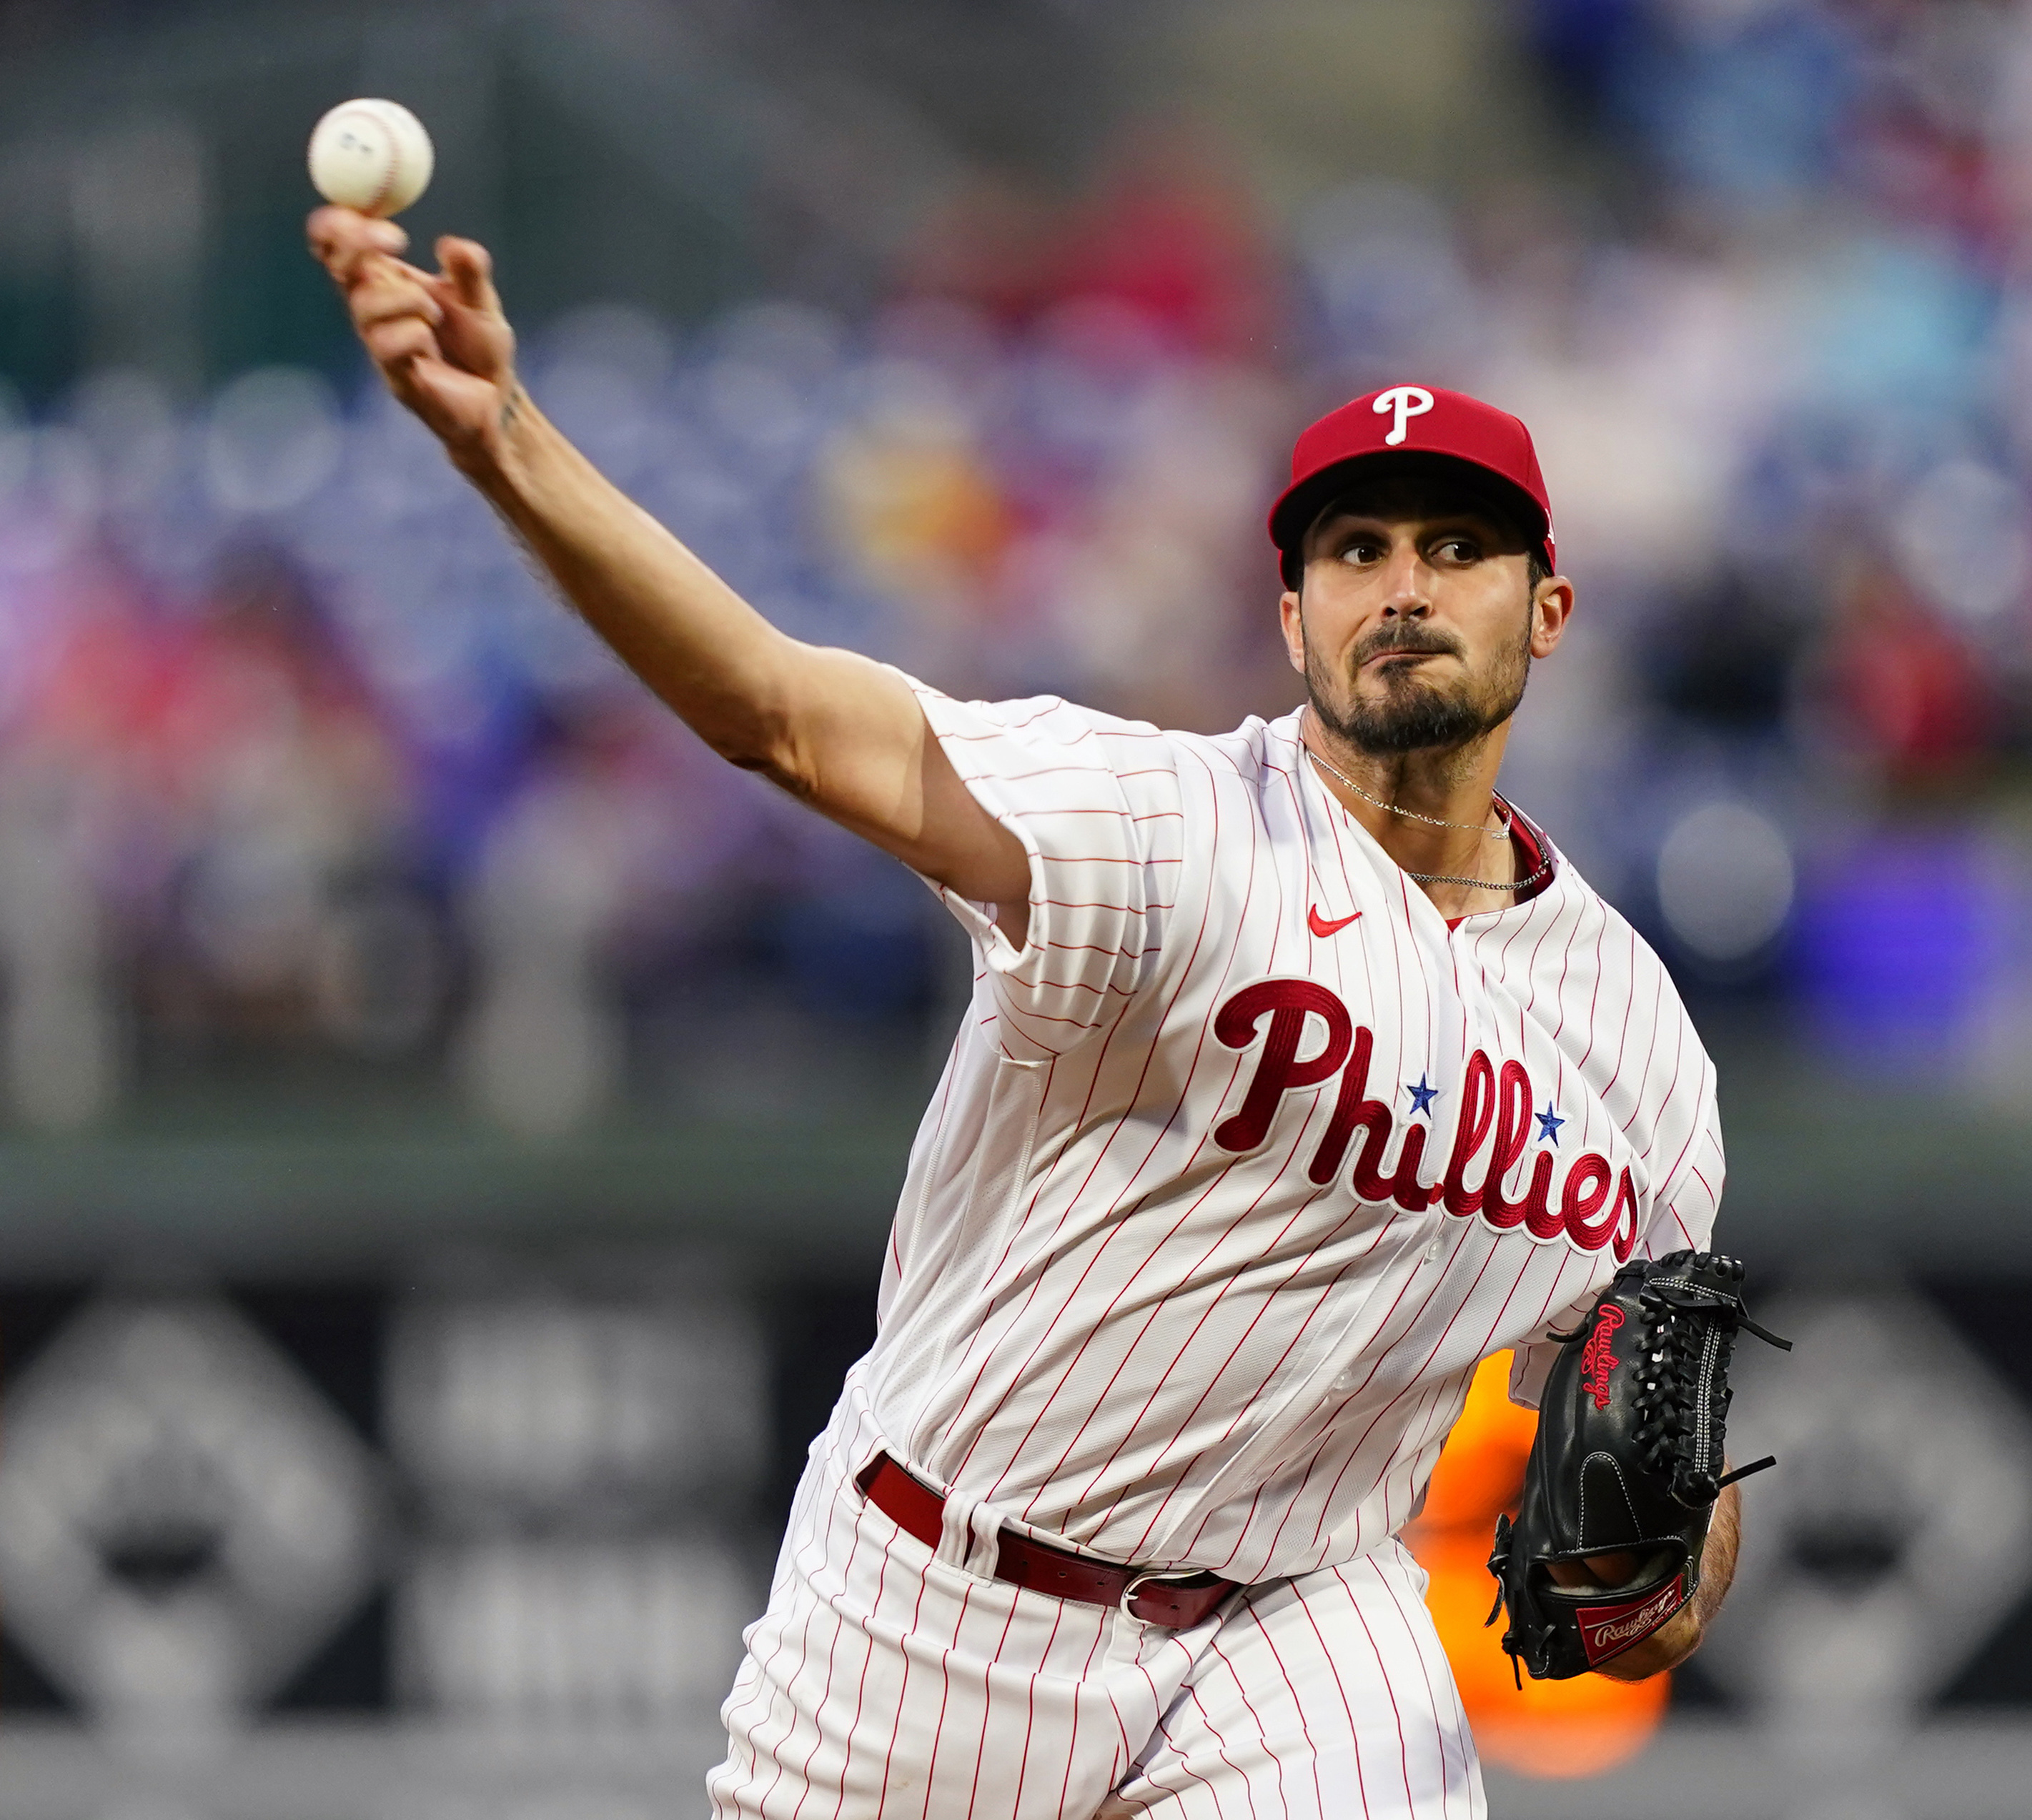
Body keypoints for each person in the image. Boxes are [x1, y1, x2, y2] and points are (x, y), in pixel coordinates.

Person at [310, 209, 1737, 1819]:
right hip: (946, 1591)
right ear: (1291, 617)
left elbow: (1647, 1442)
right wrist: (507, 442)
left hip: (1297, 1615)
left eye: (1458, 548)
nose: (1402, 587)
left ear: (1546, 607)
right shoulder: (1168, 825)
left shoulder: (1637, 1046)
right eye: (1355, 549)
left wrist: (1675, 1570)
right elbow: (779, 714)